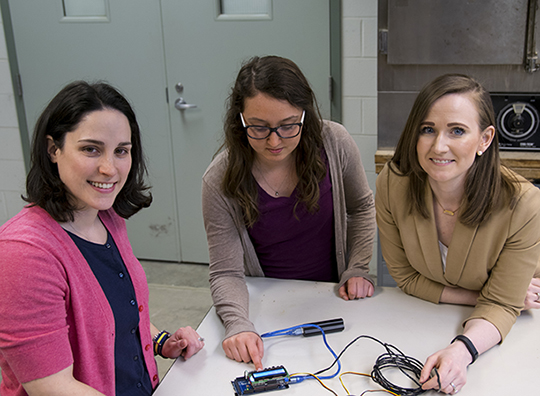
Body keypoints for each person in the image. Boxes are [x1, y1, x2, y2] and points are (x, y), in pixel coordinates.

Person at [0, 81, 204, 396]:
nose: (109, 168)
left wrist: (160, 341)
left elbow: (117, 312)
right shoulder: (24, 253)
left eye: (121, 150)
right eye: (91, 149)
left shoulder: (108, 218)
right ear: (53, 149)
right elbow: (51, 387)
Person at [202, 56, 376, 370]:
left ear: (305, 116)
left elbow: (361, 207)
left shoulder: (334, 143)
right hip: (267, 305)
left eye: (288, 126)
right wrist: (238, 324)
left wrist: (357, 267)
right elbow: (226, 273)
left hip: (334, 298)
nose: (274, 140)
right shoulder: (219, 180)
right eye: (258, 127)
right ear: (240, 121)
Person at [376, 74, 540, 394]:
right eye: (428, 130)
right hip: (480, 312)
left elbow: (505, 308)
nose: (439, 146)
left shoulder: (523, 203)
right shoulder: (392, 185)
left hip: (519, 329)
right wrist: (489, 298)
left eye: (457, 131)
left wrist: (460, 351)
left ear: (485, 139)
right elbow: (406, 278)